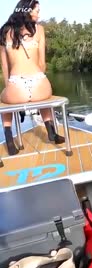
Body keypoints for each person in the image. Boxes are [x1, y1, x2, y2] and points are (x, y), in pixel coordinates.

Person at [0, 0, 64, 156]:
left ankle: (9, 141)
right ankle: (51, 132)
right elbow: (42, 65)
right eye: (37, 10)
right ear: (27, 11)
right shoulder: (40, 30)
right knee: (44, 96)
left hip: (16, 86)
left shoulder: (3, 32)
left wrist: (10, 88)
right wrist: (38, 78)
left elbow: (5, 68)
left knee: (2, 100)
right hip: (39, 84)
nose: (39, 14)